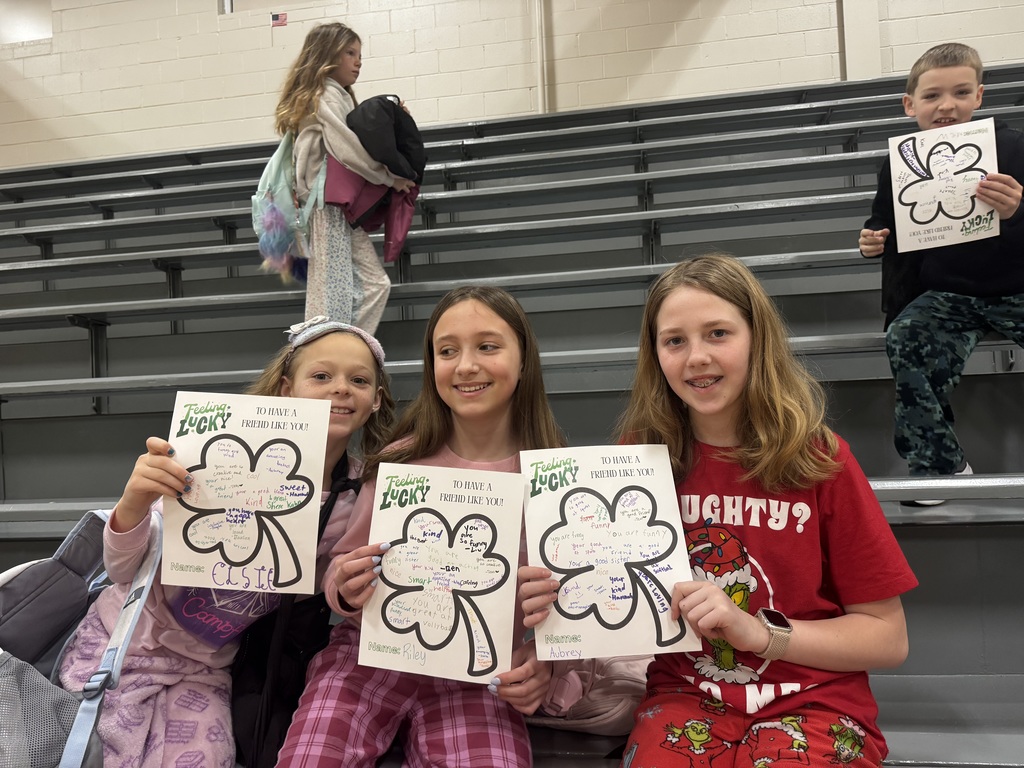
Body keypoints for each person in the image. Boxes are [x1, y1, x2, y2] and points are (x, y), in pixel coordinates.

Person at [522, 255, 918, 766]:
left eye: (718, 334)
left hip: (815, 704)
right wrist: (560, 596)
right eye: (675, 341)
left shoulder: (820, 459)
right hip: (684, 701)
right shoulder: (636, 459)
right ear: (656, 355)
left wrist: (761, 632)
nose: (696, 358)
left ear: (757, 339)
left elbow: (888, 637)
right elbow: (614, 606)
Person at [58, 317, 396, 768]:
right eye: (321, 375)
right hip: (122, 647)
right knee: (106, 755)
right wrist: (135, 502)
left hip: (209, 666)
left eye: (358, 380)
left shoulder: (362, 494)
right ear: (284, 389)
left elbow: (333, 583)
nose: (341, 389)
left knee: (209, 758)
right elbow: (122, 570)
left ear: (375, 400)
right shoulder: (218, 454)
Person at [276, 286, 566, 768]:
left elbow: (574, 613)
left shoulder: (556, 477)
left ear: (524, 359)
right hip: (368, 657)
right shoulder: (398, 460)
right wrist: (346, 587)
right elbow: (341, 570)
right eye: (447, 351)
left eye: (488, 347)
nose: (466, 365)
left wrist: (550, 664)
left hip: (482, 672)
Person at [858, 42, 1024, 503]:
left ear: (980, 97)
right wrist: (872, 240)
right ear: (910, 104)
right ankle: (940, 464)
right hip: (947, 293)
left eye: (960, 92)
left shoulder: (1011, 147)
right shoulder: (897, 163)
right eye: (932, 96)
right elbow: (883, 222)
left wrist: (1018, 210)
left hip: (1017, 287)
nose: (946, 106)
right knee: (906, 335)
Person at [276, 22, 417, 334]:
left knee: (374, 285)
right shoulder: (325, 92)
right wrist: (389, 178)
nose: (358, 61)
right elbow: (348, 149)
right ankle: (320, 353)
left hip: (338, 206)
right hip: (326, 204)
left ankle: (346, 345)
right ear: (327, 56)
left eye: (359, 54)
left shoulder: (337, 94)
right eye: (349, 53)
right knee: (330, 295)